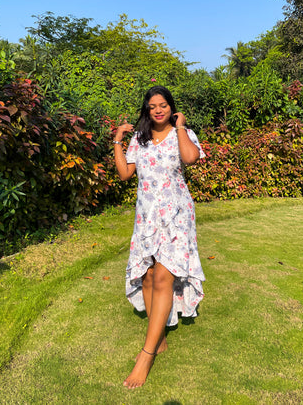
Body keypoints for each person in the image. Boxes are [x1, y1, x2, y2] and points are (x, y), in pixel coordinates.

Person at [114, 86, 205, 389]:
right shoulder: (139, 140)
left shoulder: (184, 133)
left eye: (163, 105)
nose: (158, 110)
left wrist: (180, 128)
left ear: (171, 108)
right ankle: (160, 337)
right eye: (152, 106)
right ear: (146, 110)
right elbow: (125, 174)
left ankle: (146, 354)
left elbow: (191, 159)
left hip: (177, 216)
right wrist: (118, 139)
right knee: (149, 277)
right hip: (147, 217)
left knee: (164, 277)